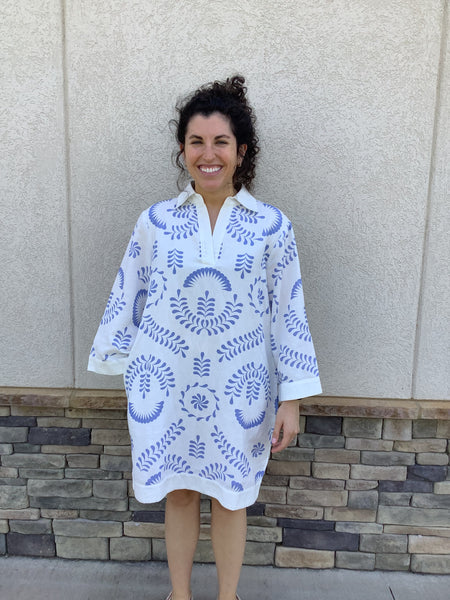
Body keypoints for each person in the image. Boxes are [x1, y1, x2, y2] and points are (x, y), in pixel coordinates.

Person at [88, 75, 322, 600]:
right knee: (179, 493)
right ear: (183, 149)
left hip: (241, 388)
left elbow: (289, 312)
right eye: (196, 141)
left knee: (232, 497)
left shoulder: (271, 227)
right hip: (168, 386)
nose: (208, 154)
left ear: (241, 151)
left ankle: (227, 596)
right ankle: (180, 594)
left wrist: (292, 398)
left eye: (221, 142)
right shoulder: (155, 222)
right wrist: (121, 362)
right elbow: (130, 293)